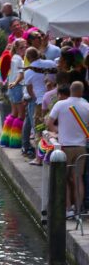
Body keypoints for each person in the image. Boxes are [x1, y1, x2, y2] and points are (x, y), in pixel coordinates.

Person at [47, 82, 89, 217]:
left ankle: (68, 209)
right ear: (82, 92)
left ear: (70, 91)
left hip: (64, 147)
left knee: (63, 179)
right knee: (78, 178)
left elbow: (49, 123)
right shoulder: (87, 105)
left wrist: (58, 132)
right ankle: (78, 210)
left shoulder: (61, 104)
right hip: (81, 147)